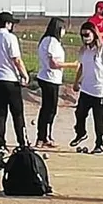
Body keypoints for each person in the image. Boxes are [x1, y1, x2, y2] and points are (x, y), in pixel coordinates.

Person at [70, 21, 103, 155]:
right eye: (82, 35)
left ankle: (100, 144)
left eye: (87, 34)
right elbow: (81, 66)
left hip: (100, 91)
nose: (85, 37)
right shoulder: (84, 50)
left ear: (94, 34)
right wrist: (76, 82)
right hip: (86, 89)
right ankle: (81, 133)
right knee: (79, 113)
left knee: (99, 119)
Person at [0, 11, 30, 150]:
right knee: (17, 113)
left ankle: (0, 144)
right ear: (8, 24)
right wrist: (24, 74)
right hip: (9, 79)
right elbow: (16, 59)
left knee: (0, 112)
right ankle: (22, 142)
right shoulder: (10, 38)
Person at [35, 17, 71, 148]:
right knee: (49, 109)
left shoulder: (48, 40)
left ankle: (43, 136)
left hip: (50, 78)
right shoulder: (52, 41)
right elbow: (53, 63)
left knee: (48, 108)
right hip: (49, 78)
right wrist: (72, 65)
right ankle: (43, 136)